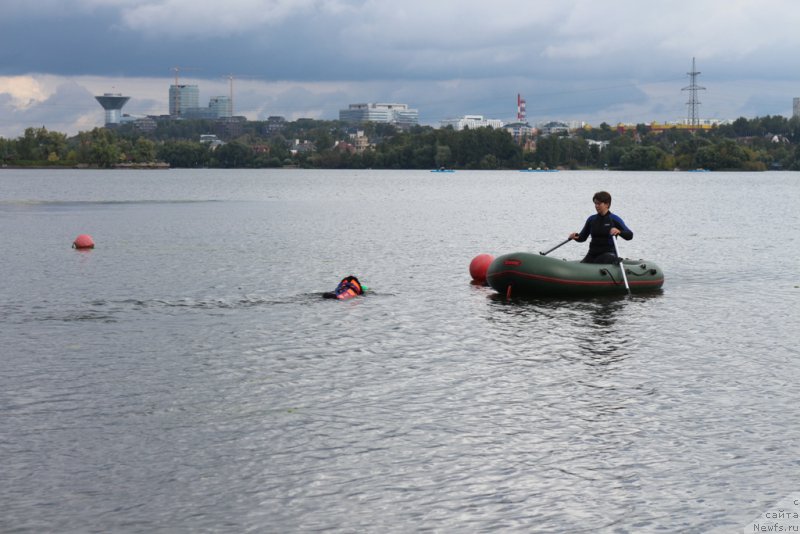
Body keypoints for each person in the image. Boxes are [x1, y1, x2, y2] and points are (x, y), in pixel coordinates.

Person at [568, 191, 633, 264]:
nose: (596, 206)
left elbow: (630, 235)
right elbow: (582, 237)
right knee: (584, 265)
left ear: (607, 204)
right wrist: (575, 236)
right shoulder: (591, 219)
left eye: (599, 203)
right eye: (595, 203)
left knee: (601, 260)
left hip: (608, 254)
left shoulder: (614, 219)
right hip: (592, 254)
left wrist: (619, 231)